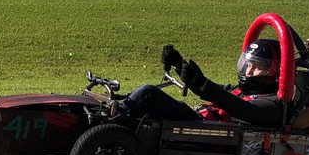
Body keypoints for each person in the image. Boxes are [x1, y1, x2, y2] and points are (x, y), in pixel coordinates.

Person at [120, 39, 287, 128]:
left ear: (274, 72)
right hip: (200, 120)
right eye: (249, 65)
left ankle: (113, 121)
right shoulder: (242, 89)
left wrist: (202, 83)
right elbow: (214, 90)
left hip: (206, 128)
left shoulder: (273, 103)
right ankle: (114, 113)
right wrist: (180, 65)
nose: (249, 72)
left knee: (148, 93)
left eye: (256, 68)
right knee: (136, 100)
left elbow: (239, 108)